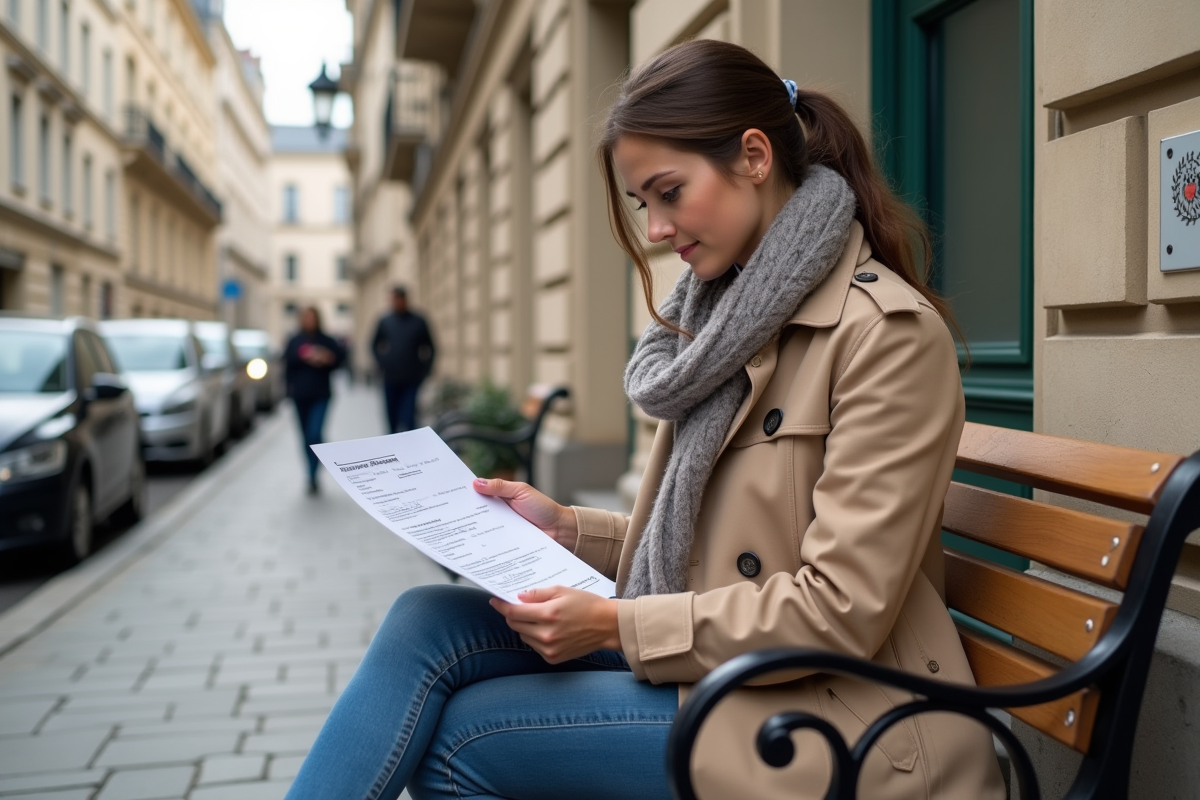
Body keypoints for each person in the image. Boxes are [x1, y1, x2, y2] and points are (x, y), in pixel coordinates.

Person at [284, 40, 1004, 800]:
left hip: (837, 717)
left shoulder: (884, 337)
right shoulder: (724, 325)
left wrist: (614, 626)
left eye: (669, 192)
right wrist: (569, 529)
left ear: (754, 157)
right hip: (737, 671)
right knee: (425, 622)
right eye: (643, 204)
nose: (656, 229)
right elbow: (712, 544)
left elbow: (838, 610)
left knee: (462, 739)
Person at [283, 306, 345, 495]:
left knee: (314, 433)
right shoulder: (295, 340)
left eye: (312, 317)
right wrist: (304, 357)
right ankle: (311, 475)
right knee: (305, 437)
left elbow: (339, 360)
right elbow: (287, 364)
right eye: (306, 317)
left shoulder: (326, 340)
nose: (309, 321)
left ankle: (315, 467)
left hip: (321, 395)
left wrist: (325, 358)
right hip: (300, 395)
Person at [372, 286, 435, 433]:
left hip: (412, 378)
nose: (396, 302)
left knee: (409, 417)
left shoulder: (418, 321)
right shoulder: (385, 321)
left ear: (405, 299)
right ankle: (393, 443)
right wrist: (382, 362)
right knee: (391, 417)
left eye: (399, 299)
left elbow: (430, 347)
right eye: (393, 299)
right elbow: (374, 345)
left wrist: (426, 369)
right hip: (390, 377)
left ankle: (409, 445)